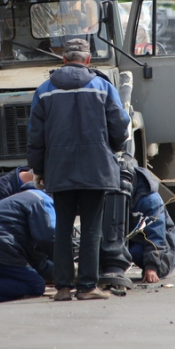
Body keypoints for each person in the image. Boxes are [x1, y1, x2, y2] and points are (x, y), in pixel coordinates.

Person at [27, 38, 130, 301]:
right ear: (87, 60)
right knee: (91, 227)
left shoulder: (44, 90)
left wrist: (38, 169)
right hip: (96, 168)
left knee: (63, 227)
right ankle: (86, 287)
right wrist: (113, 149)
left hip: (59, 169)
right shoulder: (103, 87)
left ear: (63, 60)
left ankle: (62, 287)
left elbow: (35, 136)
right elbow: (120, 127)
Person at [127, 165, 175, 283]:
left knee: (134, 251)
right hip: (134, 240)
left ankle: (154, 267)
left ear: (131, 180)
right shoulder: (117, 193)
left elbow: (156, 236)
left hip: (161, 254)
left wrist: (151, 267)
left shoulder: (150, 200)